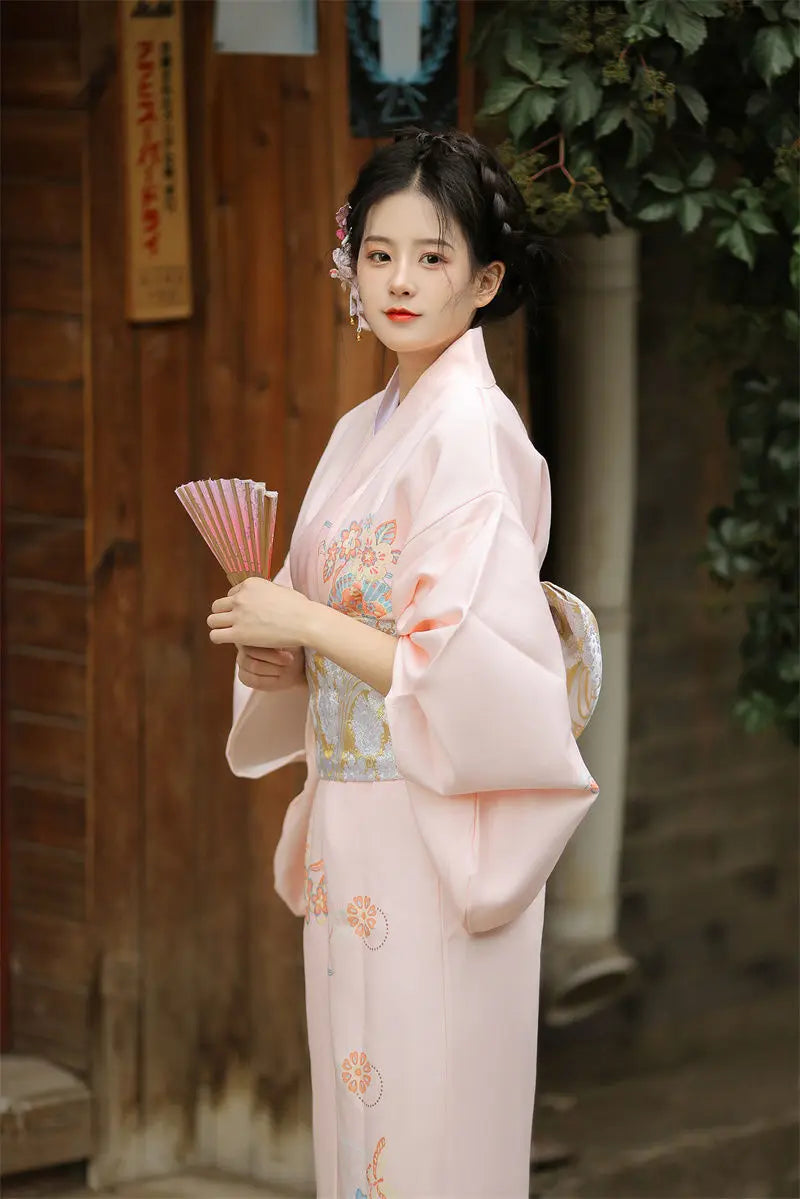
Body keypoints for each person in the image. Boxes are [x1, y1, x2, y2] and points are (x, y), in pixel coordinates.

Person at [207, 127, 600, 1199]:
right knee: (363, 1113)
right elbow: (341, 640)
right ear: (349, 266)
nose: (400, 281)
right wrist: (282, 655)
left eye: (432, 258)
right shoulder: (357, 430)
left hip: (434, 814)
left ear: (484, 280)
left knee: (429, 1125)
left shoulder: (471, 430)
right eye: (378, 254)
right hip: (355, 811)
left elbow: (460, 664)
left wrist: (304, 615)